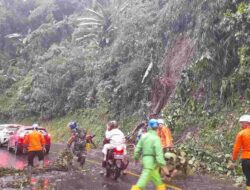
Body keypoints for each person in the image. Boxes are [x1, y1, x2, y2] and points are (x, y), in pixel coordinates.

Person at [131, 119, 169, 190]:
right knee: (140, 184)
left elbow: (137, 149)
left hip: (147, 161)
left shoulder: (143, 136)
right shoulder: (156, 139)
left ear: (149, 126)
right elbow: (159, 155)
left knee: (158, 181)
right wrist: (166, 170)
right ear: (156, 128)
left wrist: (136, 158)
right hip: (151, 164)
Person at [231, 115, 250, 190]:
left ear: (247, 123)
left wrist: (234, 159)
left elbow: (236, 148)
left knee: (248, 176)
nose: (241, 125)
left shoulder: (241, 133)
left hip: (246, 159)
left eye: (242, 123)